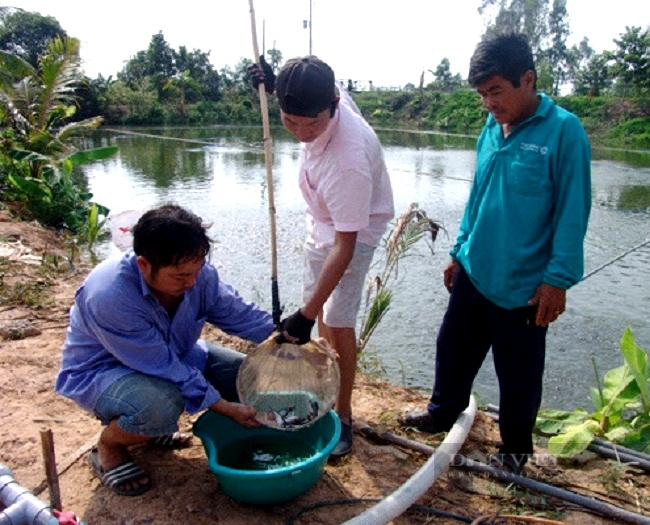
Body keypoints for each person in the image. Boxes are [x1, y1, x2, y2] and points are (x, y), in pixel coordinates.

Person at [399, 33, 592, 475]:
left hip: (525, 286)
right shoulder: (491, 125)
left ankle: (515, 452)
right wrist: (458, 249)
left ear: (527, 80)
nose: (488, 103)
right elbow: (478, 196)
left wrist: (557, 280)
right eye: (483, 94)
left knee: (518, 376)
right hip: (475, 268)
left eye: (496, 91)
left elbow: (573, 212)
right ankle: (443, 412)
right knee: (452, 348)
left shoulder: (564, 131)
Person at [55, 204, 276, 496]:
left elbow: (242, 316)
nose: (193, 282)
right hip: (105, 373)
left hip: (177, 356)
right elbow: (164, 366)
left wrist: (289, 339)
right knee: (160, 404)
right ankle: (110, 445)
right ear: (144, 265)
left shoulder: (198, 275)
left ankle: (150, 431)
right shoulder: (109, 295)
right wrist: (223, 407)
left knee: (249, 376)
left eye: (197, 271)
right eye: (181, 276)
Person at [250, 55, 394, 457]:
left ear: (333, 105)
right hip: (323, 219)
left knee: (336, 320)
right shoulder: (319, 92)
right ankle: (325, 392)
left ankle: (343, 414)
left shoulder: (348, 161)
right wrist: (271, 77)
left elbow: (344, 247)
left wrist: (305, 314)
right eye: (290, 122)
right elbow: (303, 74)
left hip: (355, 230)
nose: (301, 133)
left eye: (311, 125)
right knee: (321, 317)